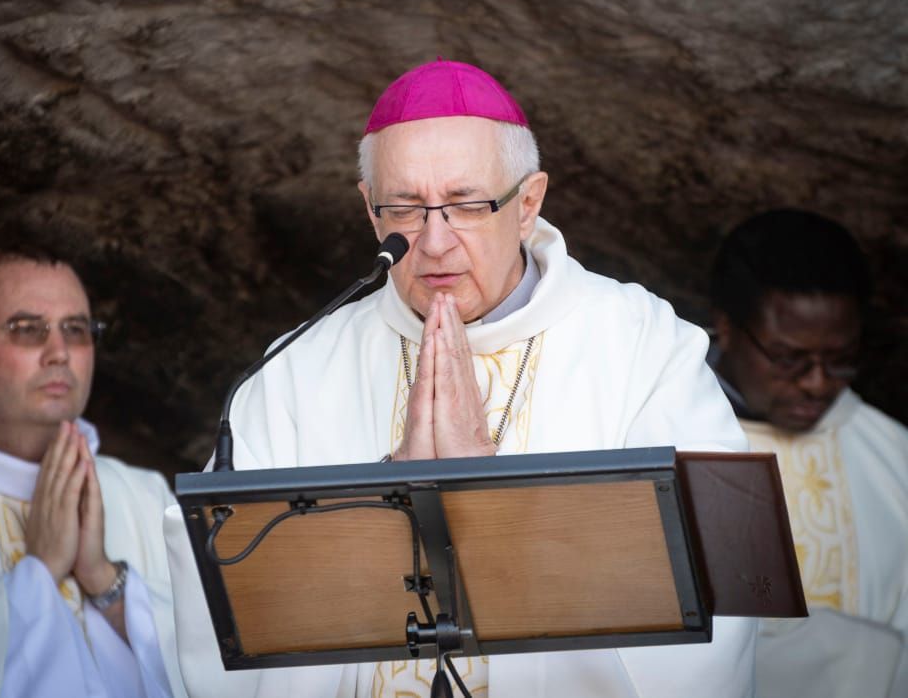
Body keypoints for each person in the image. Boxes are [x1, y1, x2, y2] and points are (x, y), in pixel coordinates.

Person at [166, 58, 756, 696]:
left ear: (528, 204)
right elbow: (220, 579)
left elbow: (711, 588)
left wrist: (490, 498)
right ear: (370, 210)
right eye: (406, 208)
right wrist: (384, 498)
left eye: (467, 205)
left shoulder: (641, 347)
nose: (434, 242)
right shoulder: (298, 368)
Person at [0, 229, 186, 698]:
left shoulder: (146, 495)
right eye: (27, 329)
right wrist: (38, 574)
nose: (59, 352)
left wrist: (107, 583)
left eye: (75, 330)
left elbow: (228, 665)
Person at [709, 209, 908, 698]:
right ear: (726, 329)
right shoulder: (659, 432)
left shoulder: (893, 456)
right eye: (789, 359)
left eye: (839, 360)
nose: (818, 384)